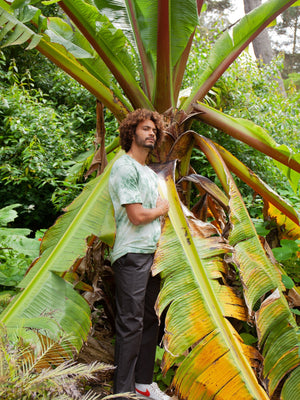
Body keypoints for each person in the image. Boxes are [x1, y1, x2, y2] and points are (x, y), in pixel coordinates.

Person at [109, 109, 170, 400]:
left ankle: (143, 384)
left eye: (154, 130)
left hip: (153, 256)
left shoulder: (149, 173)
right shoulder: (124, 167)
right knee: (131, 321)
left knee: (150, 321)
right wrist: (160, 210)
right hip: (132, 254)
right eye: (145, 128)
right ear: (131, 132)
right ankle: (122, 391)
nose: (151, 133)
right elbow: (135, 215)